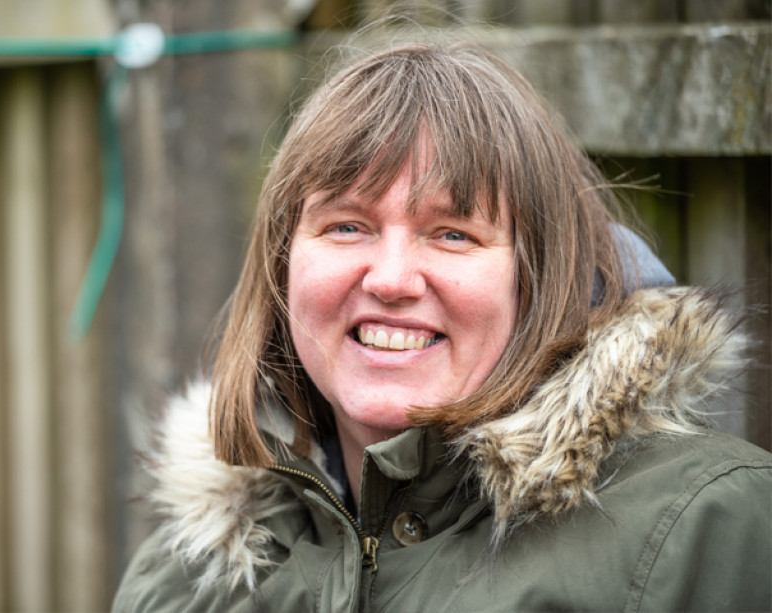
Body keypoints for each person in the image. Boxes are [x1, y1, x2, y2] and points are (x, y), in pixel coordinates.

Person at [113, 40, 772, 612]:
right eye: (347, 226)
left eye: (452, 233)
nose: (392, 278)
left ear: (539, 279)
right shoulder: (184, 577)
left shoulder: (713, 530)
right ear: (283, 264)